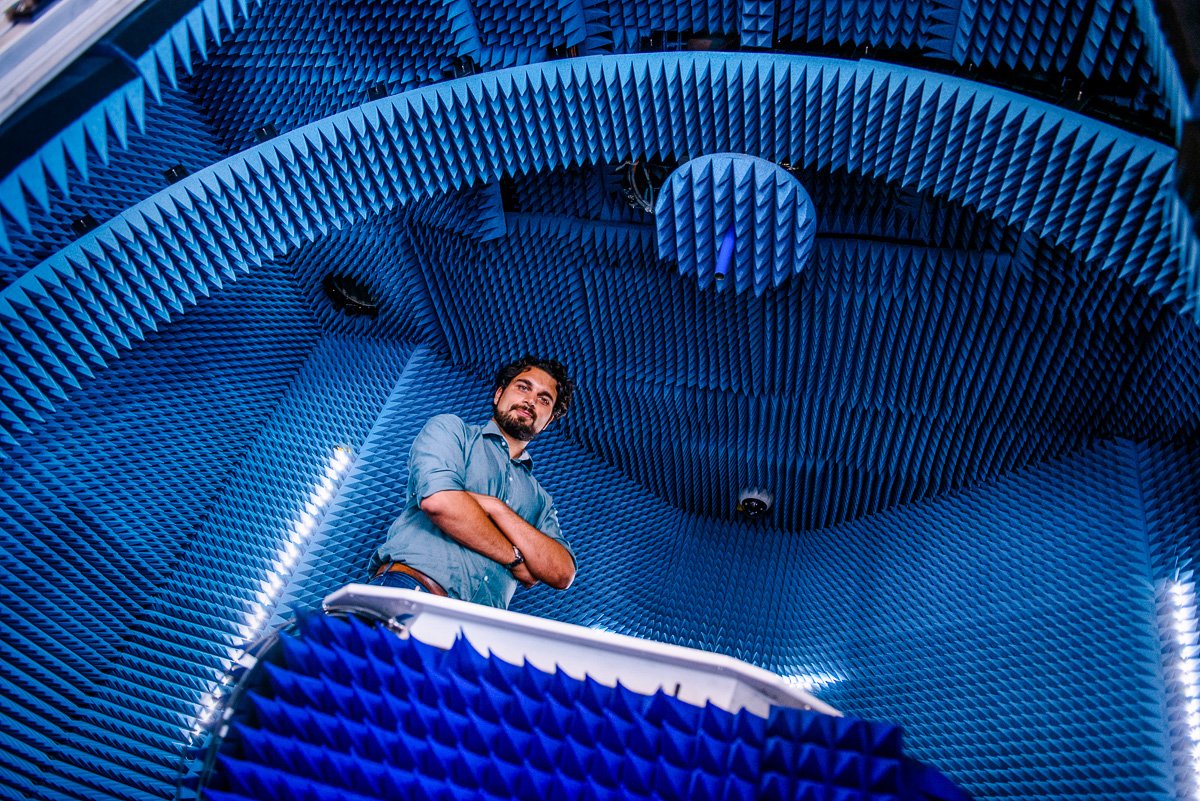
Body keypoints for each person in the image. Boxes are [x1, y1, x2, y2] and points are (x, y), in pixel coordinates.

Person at [366, 355, 577, 608]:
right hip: (413, 590)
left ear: (548, 421)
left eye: (544, 400)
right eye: (523, 387)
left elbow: (562, 572)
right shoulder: (451, 431)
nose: (530, 401)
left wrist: (495, 507)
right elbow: (441, 503)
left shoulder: (540, 500)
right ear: (499, 394)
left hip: (475, 628)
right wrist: (515, 558)